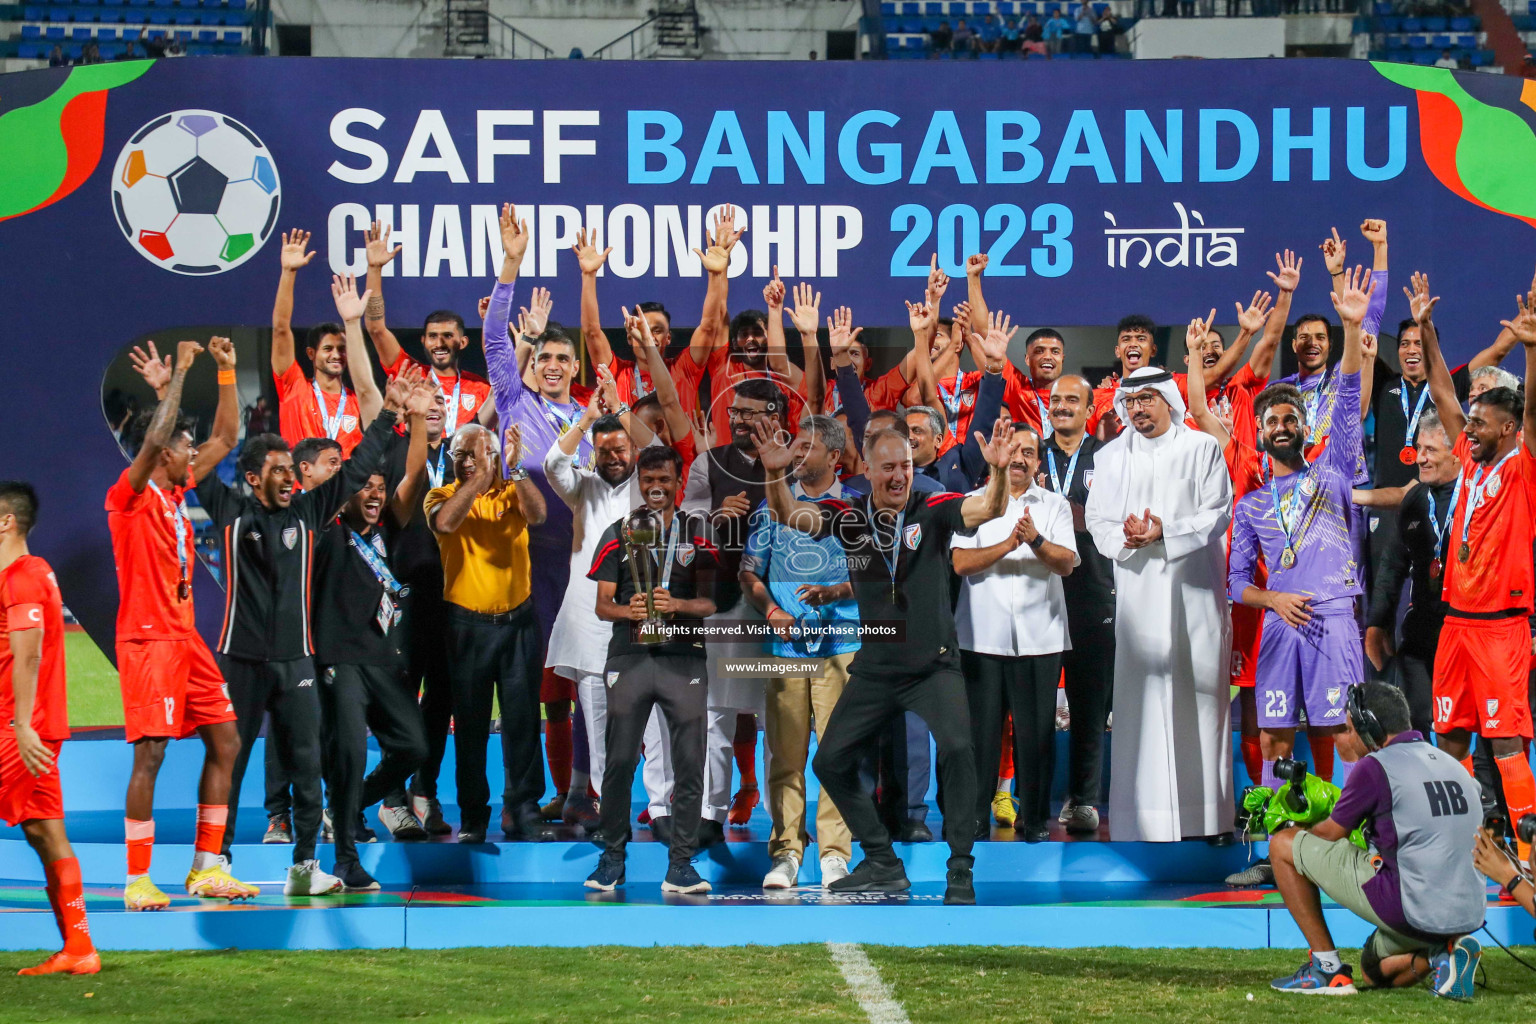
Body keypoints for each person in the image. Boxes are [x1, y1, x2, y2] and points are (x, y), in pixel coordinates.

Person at [753, 402, 1016, 905]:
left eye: (907, 467)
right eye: (890, 467)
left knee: (960, 751)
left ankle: (960, 866)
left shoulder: (932, 510)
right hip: (875, 667)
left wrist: (999, 473)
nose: (900, 475)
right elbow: (792, 514)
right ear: (868, 471)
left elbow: (991, 509)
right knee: (830, 762)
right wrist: (772, 474)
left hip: (933, 667)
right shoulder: (849, 519)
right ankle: (881, 861)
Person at [196, 346, 405, 895]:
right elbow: (204, 458)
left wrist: (387, 416)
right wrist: (222, 374)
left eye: (293, 470)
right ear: (250, 476)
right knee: (229, 762)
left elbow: (358, 466)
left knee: (309, 765)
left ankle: (305, 868)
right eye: (279, 471)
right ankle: (213, 862)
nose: (290, 478)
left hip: (298, 660)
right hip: (240, 660)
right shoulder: (229, 511)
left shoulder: (311, 512)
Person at [106, 337, 257, 910]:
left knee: (227, 740)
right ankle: (138, 879)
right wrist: (174, 383)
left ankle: (204, 868)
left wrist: (225, 372)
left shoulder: (177, 489)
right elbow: (150, 440)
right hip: (148, 642)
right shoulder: (130, 495)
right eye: (182, 446)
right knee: (151, 755)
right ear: (162, 454)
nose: (193, 453)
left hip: (186, 638)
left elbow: (225, 437)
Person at [1229, 268, 1373, 805]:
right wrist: (1271, 599)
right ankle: (1279, 843)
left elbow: (1351, 390)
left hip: (1332, 620)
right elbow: (1236, 582)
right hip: (1278, 623)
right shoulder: (1251, 506)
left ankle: (1355, 834)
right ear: (1262, 434)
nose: (1283, 425)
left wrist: (1352, 328)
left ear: (1304, 427)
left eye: (1291, 417)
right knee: (1273, 738)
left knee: (1349, 734)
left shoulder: (1332, 473)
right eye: (1273, 420)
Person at [1085, 366, 1235, 843]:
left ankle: (1207, 820)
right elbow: (1096, 518)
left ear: (1168, 400)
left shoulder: (1203, 448)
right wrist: (1128, 536)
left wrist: (1164, 531)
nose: (1139, 409)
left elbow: (1218, 513)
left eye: (1148, 399)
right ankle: (1141, 822)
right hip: (1139, 598)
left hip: (1195, 598)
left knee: (1202, 701)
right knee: (1140, 703)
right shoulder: (1110, 457)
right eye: (1131, 401)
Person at [482, 206, 595, 824]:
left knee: (578, 682)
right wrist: (512, 264)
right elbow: (496, 339)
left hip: (573, 563)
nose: (552, 365)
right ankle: (533, 795)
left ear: (574, 368)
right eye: (544, 356)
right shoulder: (513, 398)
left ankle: (582, 790)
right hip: (518, 561)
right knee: (530, 686)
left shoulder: (591, 421)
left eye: (562, 358)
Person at [1268, 682, 1484, 999]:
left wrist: (1296, 824)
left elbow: (1331, 834)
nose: (1349, 736)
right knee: (1372, 971)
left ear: (1370, 726)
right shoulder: (1454, 766)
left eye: (1350, 727)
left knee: (1283, 844)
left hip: (1412, 909)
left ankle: (1325, 969)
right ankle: (1443, 956)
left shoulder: (1376, 766)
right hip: (1465, 914)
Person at [310, 371, 435, 890]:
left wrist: (422, 420)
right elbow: (358, 468)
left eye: (380, 490)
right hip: (340, 657)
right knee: (350, 752)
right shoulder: (325, 532)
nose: (374, 494)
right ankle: (344, 860)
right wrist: (388, 414)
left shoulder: (387, 531)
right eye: (365, 487)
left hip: (384, 659)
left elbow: (413, 477)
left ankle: (350, 805)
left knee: (414, 746)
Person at [544, 372, 682, 838]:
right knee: (600, 723)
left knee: (656, 722)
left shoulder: (649, 484)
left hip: (646, 621)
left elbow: (665, 453)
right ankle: (610, 810)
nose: (613, 457)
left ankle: (662, 808)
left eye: (620, 449)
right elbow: (551, 464)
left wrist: (622, 410)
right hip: (590, 623)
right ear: (594, 454)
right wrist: (586, 417)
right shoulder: (581, 486)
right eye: (604, 451)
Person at [1427, 287, 1536, 864]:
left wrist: (1533, 350)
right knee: (1448, 740)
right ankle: (1464, 842)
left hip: (1501, 629)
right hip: (1456, 626)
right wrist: (1424, 328)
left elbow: (1533, 413)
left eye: (1480, 423)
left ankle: (1528, 852)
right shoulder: (1470, 457)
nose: (1466, 430)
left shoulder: (1523, 469)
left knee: (1507, 741)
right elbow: (1443, 392)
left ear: (1509, 429)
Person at [584, 445, 719, 894]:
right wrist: (631, 610)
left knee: (688, 763)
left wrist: (677, 605)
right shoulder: (618, 532)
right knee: (618, 761)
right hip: (630, 657)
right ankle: (612, 861)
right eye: (648, 480)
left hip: (684, 658)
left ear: (678, 482)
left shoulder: (697, 532)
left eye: (664, 479)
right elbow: (604, 605)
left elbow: (711, 601)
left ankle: (681, 864)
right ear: (639, 482)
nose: (656, 488)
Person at [740, 415, 859, 889]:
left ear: (833, 456)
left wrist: (833, 595)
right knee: (784, 754)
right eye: (795, 445)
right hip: (786, 648)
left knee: (837, 753)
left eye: (806, 446)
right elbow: (750, 573)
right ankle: (787, 851)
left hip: (843, 645)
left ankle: (834, 853)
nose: (796, 453)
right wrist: (771, 611)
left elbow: (874, 578)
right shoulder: (770, 509)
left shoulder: (854, 507)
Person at [425, 423, 549, 843]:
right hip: (465, 626)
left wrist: (512, 470)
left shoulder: (512, 492)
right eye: (459, 454)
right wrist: (477, 477)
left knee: (523, 722)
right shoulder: (441, 495)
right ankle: (474, 817)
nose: (465, 461)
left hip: (518, 623)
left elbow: (539, 515)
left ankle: (525, 809)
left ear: (496, 457)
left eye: (474, 454)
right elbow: (445, 524)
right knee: (472, 725)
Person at [953, 424, 1078, 842]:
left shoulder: (1055, 505)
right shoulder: (972, 505)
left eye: (1029, 452)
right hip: (981, 638)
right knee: (980, 737)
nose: (1020, 458)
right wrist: (1008, 545)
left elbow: (1066, 563)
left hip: (1040, 639)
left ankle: (1036, 820)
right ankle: (973, 818)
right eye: (1013, 450)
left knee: (1036, 735)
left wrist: (1035, 540)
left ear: (1039, 462)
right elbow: (961, 564)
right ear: (997, 456)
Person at [1, 481, 100, 976]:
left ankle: (79, 948)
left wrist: (21, 726)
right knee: (45, 834)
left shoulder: (22, 576)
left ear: (6, 522)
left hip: (17, 732)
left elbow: (30, 652)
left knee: (47, 834)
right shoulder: (26, 574)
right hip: (26, 729)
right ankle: (79, 948)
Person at [682, 377, 787, 845]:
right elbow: (683, 522)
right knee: (717, 711)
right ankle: (712, 812)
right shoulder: (709, 462)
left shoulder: (797, 460)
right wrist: (713, 515)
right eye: (735, 413)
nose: (740, 420)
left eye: (750, 412)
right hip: (725, 603)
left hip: (782, 608)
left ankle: (782, 817)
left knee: (777, 716)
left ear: (776, 415)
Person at [1037, 375, 1115, 833]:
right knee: (1036, 703)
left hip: (1091, 592)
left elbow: (1115, 518)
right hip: (1039, 594)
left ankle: (1084, 799)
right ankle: (1032, 797)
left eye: (1071, 400)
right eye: (1055, 400)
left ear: (1089, 408)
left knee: (1089, 703)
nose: (1061, 407)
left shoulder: (1107, 459)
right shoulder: (1032, 452)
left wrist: (1064, 514)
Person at [1364, 412, 1458, 737]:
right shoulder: (1415, 500)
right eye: (1419, 448)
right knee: (1418, 719)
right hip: (1421, 633)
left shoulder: (1478, 498)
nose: (1419, 458)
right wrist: (1377, 622)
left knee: (1456, 730)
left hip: (1465, 629)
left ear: (1456, 451)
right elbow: (1392, 565)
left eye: (1430, 450)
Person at [363, 220, 492, 434]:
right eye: (432, 336)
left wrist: (491, 323)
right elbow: (376, 330)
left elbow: (498, 367)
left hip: (462, 466)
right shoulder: (411, 374)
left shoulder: (479, 387)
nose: (439, 343)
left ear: (463, 342)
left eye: (447, 336)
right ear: (423, 340)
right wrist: (374, 269)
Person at [270, 230, 364, 456]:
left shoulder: (358, 401)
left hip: (345, 491)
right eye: (328, 349)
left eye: (342, 349)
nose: (336, 355)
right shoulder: (294, 387)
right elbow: (281, 329)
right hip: (301, 490)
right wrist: (288, 272)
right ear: (311, 353)